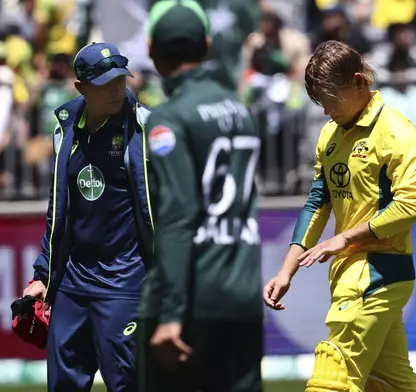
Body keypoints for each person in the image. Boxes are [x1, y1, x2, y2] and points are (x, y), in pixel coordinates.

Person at [264, 40, 416, 392]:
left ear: (358, 82)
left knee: (331, 381)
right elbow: (317, 202)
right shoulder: (330, 134)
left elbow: (411, 205)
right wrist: (286, 270)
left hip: (380, 273)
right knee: (390, 385)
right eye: (320, 104)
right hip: (349, 275)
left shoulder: (397, 131)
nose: (326, 112)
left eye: (330, 101)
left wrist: (344, 238)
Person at [137, 1, 263, 392]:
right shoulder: (240, 111)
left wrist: (170, 314)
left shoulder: (169, 117)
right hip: (243, 296)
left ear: (152, 48)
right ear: (207, 44)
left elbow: (178, 215)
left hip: (191, 298)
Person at [21, 42, 154, 392]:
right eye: (104, 82)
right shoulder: (65, 130)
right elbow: (59, 211)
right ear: (80, 87)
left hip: (126, 280)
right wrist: (43, 277)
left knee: (128, 385)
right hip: (73, 283)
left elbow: (166, 212)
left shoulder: (145, 130)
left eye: (120, 80)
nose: (116, 89)